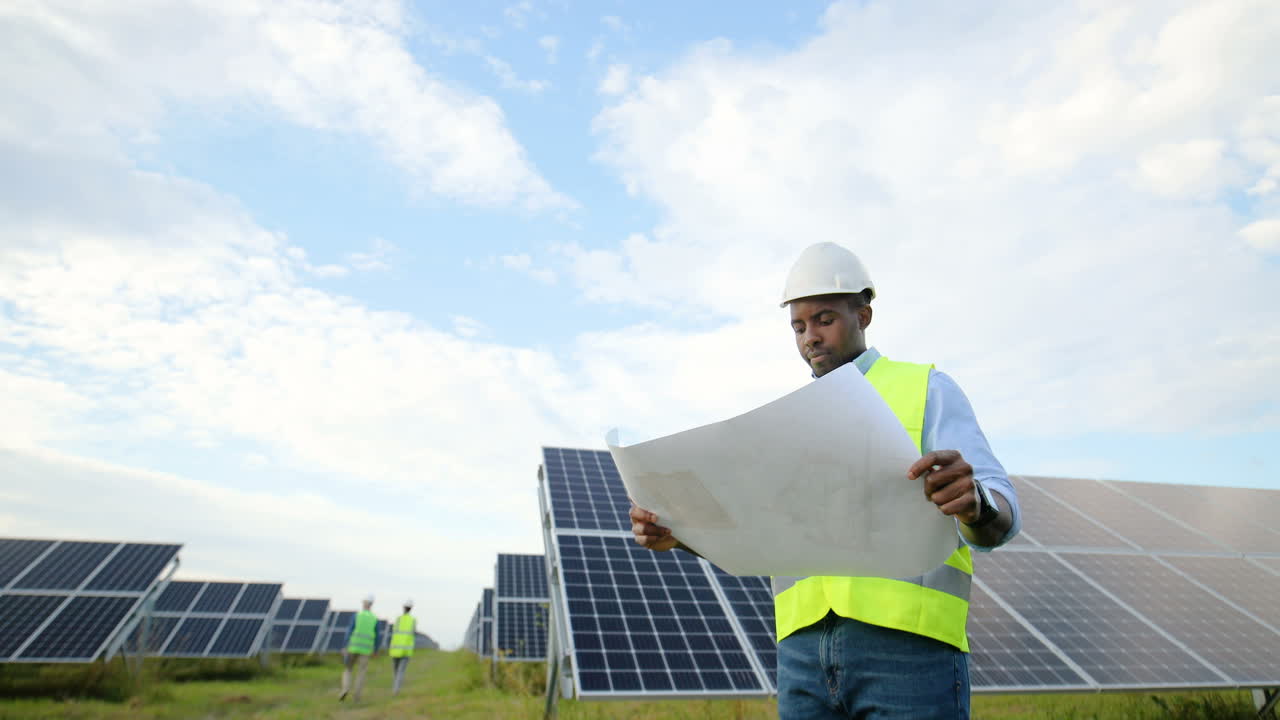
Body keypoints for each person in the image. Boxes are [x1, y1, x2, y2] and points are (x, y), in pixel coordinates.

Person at [629, 242, 1021, 719]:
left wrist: (975, 504)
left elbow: (1000, 514)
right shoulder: (781, 422)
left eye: (824, 319)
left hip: (908, 652)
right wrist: (683, 535)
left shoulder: (926, 388)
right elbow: (757, 539)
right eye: (798, 326)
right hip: (801, 656)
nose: (810, 336)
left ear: (864, 315)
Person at [339, 594, 380, 702]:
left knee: (348, 670)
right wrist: (376, 650)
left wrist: (344, 645)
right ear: (371, 605)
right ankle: (357, 696)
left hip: (352, 647)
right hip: (366, 650)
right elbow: (377, 636)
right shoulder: (374, 619)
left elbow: (349, 631)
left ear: (364, 603)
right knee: (361, 673)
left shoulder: (356, 616)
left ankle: (345, 689)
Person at [389, 599, 417, 695]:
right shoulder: (413, 620)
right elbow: (413, 633)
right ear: (411, 609)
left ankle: (395, 688)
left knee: (396, 670)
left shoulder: (398, 619)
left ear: (403, 608)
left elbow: (394, 632)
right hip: (406, 650)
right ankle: (396, 689)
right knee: (400, 671)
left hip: (395, 649)